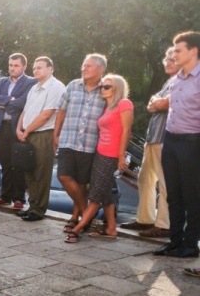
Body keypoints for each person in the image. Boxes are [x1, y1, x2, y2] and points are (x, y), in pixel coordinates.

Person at [66, 74, 133, 243]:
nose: (102, 89)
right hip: (99, 153)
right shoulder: (107, 107)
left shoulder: (125, 104)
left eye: (107, 86)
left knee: (95, 196)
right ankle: (111, 228)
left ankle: (77, 229)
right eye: (102, 86)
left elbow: (126, 131)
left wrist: (121, 156)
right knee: (105, 195)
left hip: (111, 156)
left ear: (117, 88)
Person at [122, 47, 176, 238]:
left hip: (167, 138)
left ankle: (164, 225)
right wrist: (157, 102)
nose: (167, 62)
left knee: (165, 183)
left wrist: (158, 102)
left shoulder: (187, 81)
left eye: (172, 59)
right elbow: (152, 103)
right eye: (166, 59)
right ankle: (145, 219)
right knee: (145, 179)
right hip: (153, 138)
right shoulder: (169, 81)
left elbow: (160, 104)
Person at [54, 54, 108, 232]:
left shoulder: (107, 89)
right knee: (64, 176)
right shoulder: (72, 86)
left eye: (89, 66)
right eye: (83, 65)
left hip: (91, 143)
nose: (84, 68)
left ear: (100, 69)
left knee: (82, 182)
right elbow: (61, 111)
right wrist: (56, 134)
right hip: (68, 139)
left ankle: (76, 217)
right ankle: (87, 213)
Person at [159, 32, 200, 260]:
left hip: (193, 142)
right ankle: (174, 242)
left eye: (178, 50)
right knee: (173, 194)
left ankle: (191, 244)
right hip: (171, 140)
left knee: (191, 196)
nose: (174, 54)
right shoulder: (176, 80)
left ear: (193, 50)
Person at [16, 56, 66, 221]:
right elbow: (25, 111)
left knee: (41, 173)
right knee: (29, 171)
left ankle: (38, 210)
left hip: (44, 134)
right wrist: (19, 128)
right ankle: (32, 206)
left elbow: (47, 114)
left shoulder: (56, 87)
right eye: (34, 68)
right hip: (29, 134)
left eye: (40, 67)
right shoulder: (34, 88)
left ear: (50, 69)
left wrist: (27, 130)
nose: (36, 70)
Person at [0, 53, 37, 210]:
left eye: (16, 65)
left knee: (18, 164)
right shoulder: (3, 81)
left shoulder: (30, 82)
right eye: (10, 65)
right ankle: (5, 196)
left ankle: (19, 198)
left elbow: (24, 102)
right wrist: (11, 100)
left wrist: (3, 102)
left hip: (17, 127)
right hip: (1, 126)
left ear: (24, 67)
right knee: (5, 163)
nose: (12, 68)